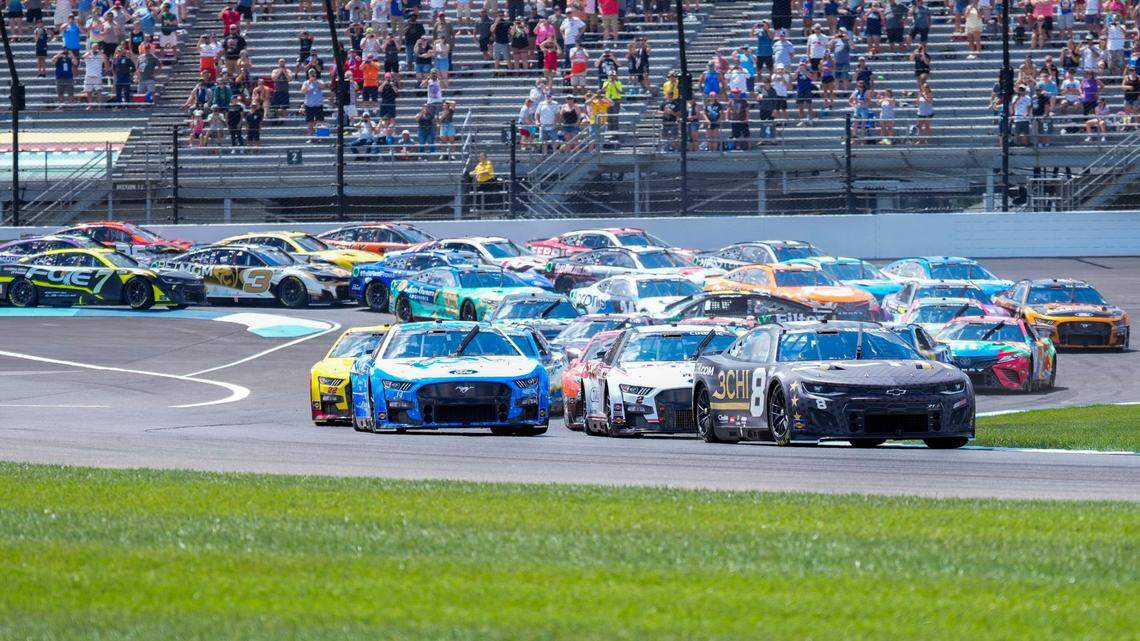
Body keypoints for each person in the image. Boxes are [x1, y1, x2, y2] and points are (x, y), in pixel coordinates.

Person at [301, 69, 325, 142]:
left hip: (318, 105)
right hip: (309, 105)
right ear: (308, 75)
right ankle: (310, 137)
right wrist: (309, 82)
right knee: (310, 122)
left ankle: (320, 137)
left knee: (319, 122)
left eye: (313, 73)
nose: (312, 75)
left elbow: (323, 87)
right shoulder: (306, 82)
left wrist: (316, 81)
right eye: (311, 74)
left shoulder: (319, 81)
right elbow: (303, 91)